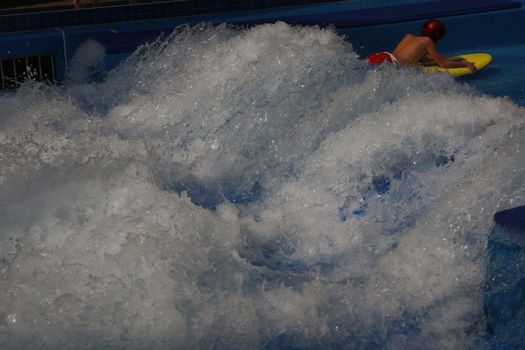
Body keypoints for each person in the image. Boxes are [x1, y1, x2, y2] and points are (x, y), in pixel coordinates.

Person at [367, 19, 477, 72]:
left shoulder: (408, 36)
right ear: (437, 36)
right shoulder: (427, 41)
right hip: (391, 65)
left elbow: (410, 57)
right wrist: (465, 63)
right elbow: (443, 64)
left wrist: (432, 58)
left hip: (381, 56)